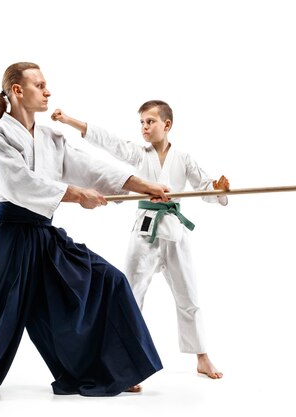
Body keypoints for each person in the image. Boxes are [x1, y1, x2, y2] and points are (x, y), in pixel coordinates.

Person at [0, 62, 170, 398]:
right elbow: (18, 183)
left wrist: (142, 185)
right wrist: (74, 194)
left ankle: (108, 369)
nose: (48, 91)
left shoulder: (49, 137)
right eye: (40, 85)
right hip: (8, 234)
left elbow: (88, 167)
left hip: (42, 235)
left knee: (108, 280)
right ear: (18, 91)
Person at [52, 100, 230, 379]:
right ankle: (123, 362)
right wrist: (70, 121)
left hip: (174, 233)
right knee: (131, 295)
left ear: (166, 125)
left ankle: (202, 357)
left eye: (150, 122)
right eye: (142, 123)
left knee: (188, 296)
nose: (145, 127)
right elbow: (108, 142)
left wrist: (218, 190)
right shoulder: (138, 155)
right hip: (144, 233)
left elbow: (205, 188)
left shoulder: (183, 159)